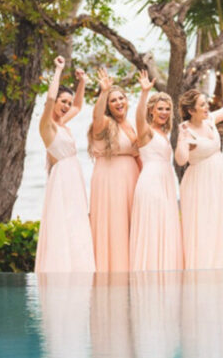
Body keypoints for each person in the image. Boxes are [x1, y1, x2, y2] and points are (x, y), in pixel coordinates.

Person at [35, 56, 95, 274]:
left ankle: (79, 267)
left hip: (73, 177)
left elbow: (79, 105)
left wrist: (82, 83)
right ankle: (62, 269)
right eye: (63, 102)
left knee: (76, 222)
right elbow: (50, 98)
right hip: (61, 178)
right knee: (63, 220)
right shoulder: (47, 125)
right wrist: (58, 69)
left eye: (67, 103)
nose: (66, 106)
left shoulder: (62, 123)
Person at [176, 88, 223, 269]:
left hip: (219, 182)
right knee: (203, 224)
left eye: (206, 103)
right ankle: (202, 267)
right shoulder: (186, 130)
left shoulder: (209, 120)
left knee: (218, 222)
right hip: (199, 183)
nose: (206, 107)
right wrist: (182, 141)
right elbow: (181, 160)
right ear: (191, 111)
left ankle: (220, 266)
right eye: (202, 105)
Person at [129, 72, 183, 271]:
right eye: (160, 108)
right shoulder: (147, 132)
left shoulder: (164, 133)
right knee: (153, 224)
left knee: (165, 224)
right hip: (151, 182)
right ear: (151, 110)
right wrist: (144, 93)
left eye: (168, 109)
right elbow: (138, 119)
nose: (164, 112)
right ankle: (150, 269)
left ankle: (164, 268)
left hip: (166, 182)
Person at [88, 68, 139, 272]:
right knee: (114, 224)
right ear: (108, 106)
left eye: (121, 98)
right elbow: (96, 116)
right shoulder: (105, 123)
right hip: (111, 179)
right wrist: (103, 92)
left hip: (131, 178)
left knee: (130, 224)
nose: (119, 103)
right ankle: (113, 268)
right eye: (113, 100)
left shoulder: (129, 124)